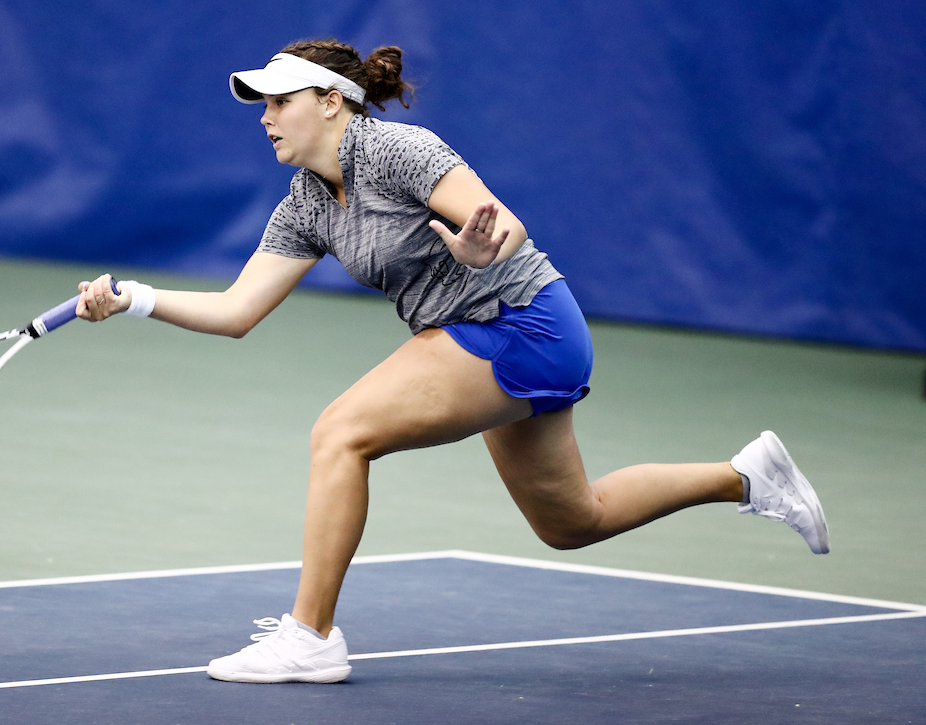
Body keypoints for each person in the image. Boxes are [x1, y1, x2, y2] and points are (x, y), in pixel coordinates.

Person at [75, 39, 830, 684]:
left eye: (279, 100)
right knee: (572, 521)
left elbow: (503, 223)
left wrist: (476, 245)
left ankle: (310, 637)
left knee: (341, 432)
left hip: (521, 322)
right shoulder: (305, 202)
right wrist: (135, 297)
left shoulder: (399, 149)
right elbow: (237, 312)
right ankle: (747, 477)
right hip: (483, 336)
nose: (266, 116)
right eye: (260, 105)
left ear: (333, 101)